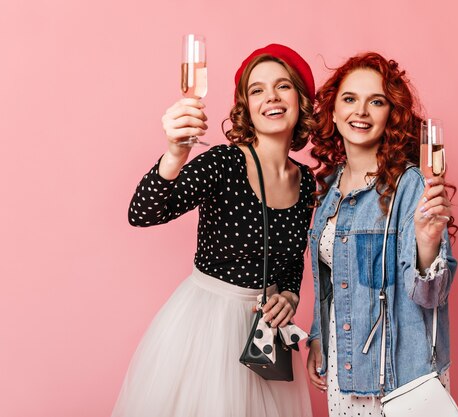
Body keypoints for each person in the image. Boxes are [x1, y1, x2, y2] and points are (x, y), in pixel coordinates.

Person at [112, 44, 315, 417]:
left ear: (301, 99)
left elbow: (291, 260)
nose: (270, 96)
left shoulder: (306, 182)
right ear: (246, 107)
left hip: (265, 338)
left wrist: (289, 296)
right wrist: (174, 153)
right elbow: (142, 213)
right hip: (207, 327)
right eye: (257, 90)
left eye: (283, 86)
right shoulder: (223, 162)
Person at [306, 52, 458, 416]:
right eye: (349, 99)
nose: (360, 111)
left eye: (376, 101)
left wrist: (427, 241)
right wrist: (317, 336)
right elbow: (329, 280)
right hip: (344, 371)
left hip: (399, 377)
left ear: (391, 114)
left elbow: (430, 295)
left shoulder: (410, 185)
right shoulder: (329, 186)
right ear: (332, 110)